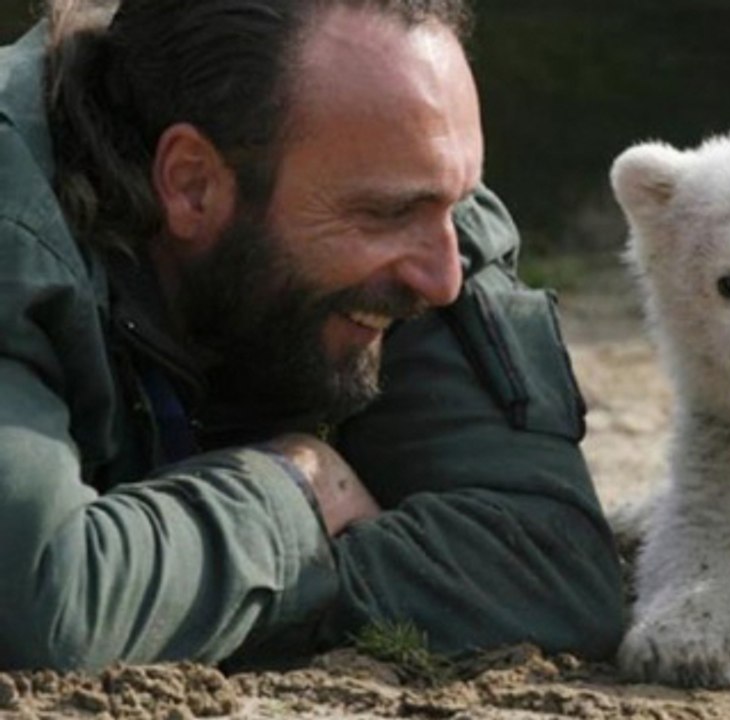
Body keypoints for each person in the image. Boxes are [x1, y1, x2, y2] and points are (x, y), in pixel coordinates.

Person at [0, 0, 624, 670]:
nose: (444, 279)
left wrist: (180, 586)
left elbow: (548, 569)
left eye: (455, 201)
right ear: (192, 184)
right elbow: (45, 614)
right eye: (385, 214)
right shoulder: (18, 233)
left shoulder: (407, 189)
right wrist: (295, 495)